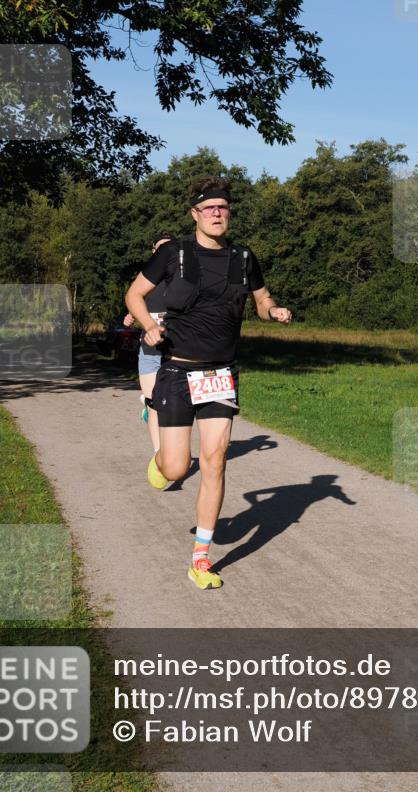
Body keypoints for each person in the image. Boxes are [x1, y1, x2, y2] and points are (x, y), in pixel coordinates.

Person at [125, 176, 292, 590]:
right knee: (177, 468)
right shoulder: (175, 254)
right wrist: (147, 326)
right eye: (209, 208)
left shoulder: (244, 257)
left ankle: (201, 559)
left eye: (223, 207)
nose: (217, 214)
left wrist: (274, 311)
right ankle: (163, 456)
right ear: (195, 214)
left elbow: (261, 299)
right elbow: (134, 294)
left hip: (221, 374)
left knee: (215, 461)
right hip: (178, 372)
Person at [123, 233, 173, 456]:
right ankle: (159, 455)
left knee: (171, 403)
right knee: (154, 403)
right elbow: (135, 303)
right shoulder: (146, 280)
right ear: (154, 252)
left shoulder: (182, 281)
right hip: (149, 349)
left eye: (169, 249)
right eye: (160, 249)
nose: (164, 253)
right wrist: (130, 317)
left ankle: (148, 402)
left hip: (175, 349)